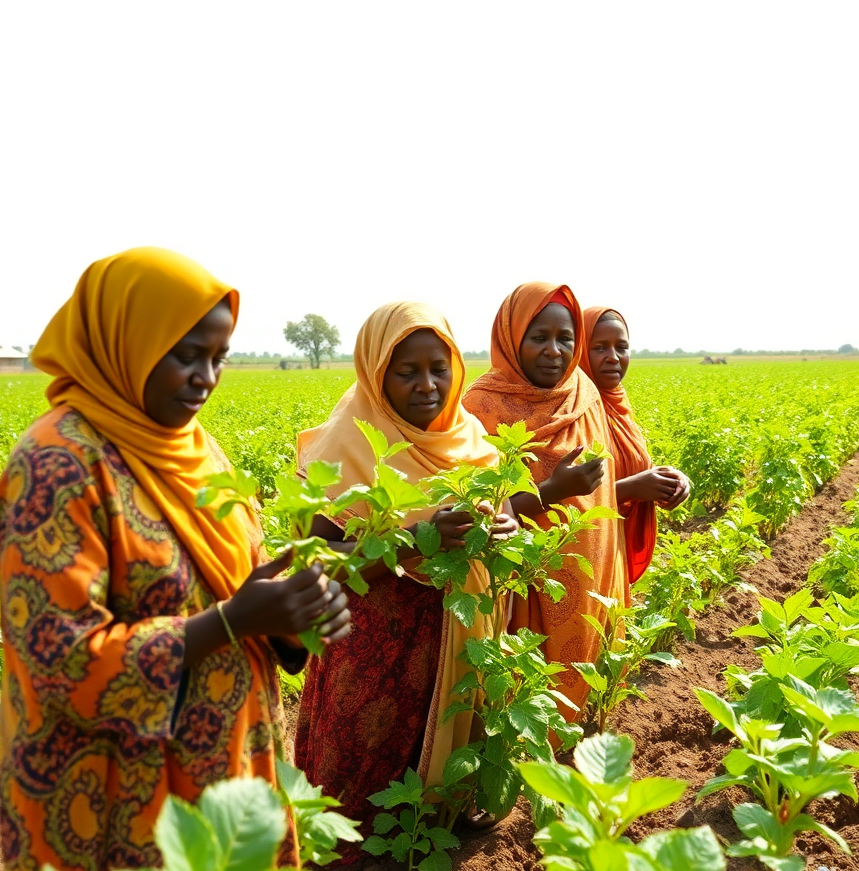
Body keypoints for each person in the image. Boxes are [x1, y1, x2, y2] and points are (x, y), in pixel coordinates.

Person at [0, 248, 350, 871]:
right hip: (112, 801)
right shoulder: (60, 463)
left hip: (222, 779)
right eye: (186, 355)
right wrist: (234, 621)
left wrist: (294, 622)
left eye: (220, 357)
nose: (206, 377)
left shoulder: (198, 450)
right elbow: (61, 662)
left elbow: (238, 586)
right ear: (126, 342)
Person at [293, 302, 516, 842]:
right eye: (406, 371)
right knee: (354, 785)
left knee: (437, 751)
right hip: (368, 645)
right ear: (375, 372)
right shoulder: (346, 444)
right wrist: (418, 539)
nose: (427, 385)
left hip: (449, 634)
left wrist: (503, 523)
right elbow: (319, 561)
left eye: (439, 369)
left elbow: (503, 504)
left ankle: (429, 829)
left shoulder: (471, 441)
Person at [461, 282, 622, 718]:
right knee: (517, 693)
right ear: (511, 339)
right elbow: (486, 509)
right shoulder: (481, 406)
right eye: (538, 338)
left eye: (565, 339)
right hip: (520, 579)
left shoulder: (583, 395)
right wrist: (553, 491)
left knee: (579, 682)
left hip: (586, 572)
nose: (554, 351)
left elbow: (603, 495)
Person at [581, 306, 690, 603]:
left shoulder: (618, 406)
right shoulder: (571, 410)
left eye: (621, 347)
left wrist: (671, 481)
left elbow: (637, 466)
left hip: (613, 555)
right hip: (579, 563)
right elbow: (559, 499)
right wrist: (632, 488)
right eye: (600, 347)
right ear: (579, 350)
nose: (613, 357)